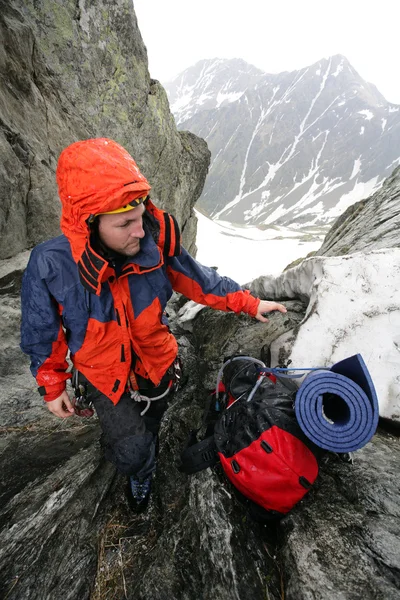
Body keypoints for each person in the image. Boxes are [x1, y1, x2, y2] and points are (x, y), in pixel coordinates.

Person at [20, 138, 287, 511]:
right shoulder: (51, 264)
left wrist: (250, 303)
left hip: (157, 360)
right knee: (132, 452)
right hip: (102, 374)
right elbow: (41, 330)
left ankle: (148, 438)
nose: (140, 231)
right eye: (125, 223)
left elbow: (201, 281)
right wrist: (52, 384)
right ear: (90, 224)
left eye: (140, 215)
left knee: (157, 420)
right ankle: (141, 471)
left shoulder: (156, 240)